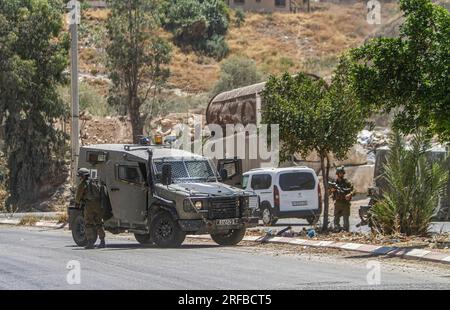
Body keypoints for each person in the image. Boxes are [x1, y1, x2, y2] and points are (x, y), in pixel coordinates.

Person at [75, 168, 106, 249]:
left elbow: (78, 197)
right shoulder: (96, 182)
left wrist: (78, 202)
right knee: (99, 223)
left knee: (88, 223)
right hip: (99, 205)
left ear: (83, 176)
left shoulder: (83, 184)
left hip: (89, 205)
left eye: (80, 176)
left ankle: (90, 243)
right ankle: (102, 241)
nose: (80, 178)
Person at [331, 166, 355, 232]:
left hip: (345, 203)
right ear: (337, 174)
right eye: (340, 173)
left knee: (345, 218)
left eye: (342, 173)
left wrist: (350, 194)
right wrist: (332, 190)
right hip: (338, 202)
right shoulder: (334, 183)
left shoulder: (347, 182)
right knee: (336, 218)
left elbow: (354, 190)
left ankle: (346, 231)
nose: (341, 174)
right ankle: (337, 229)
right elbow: (329, 191)